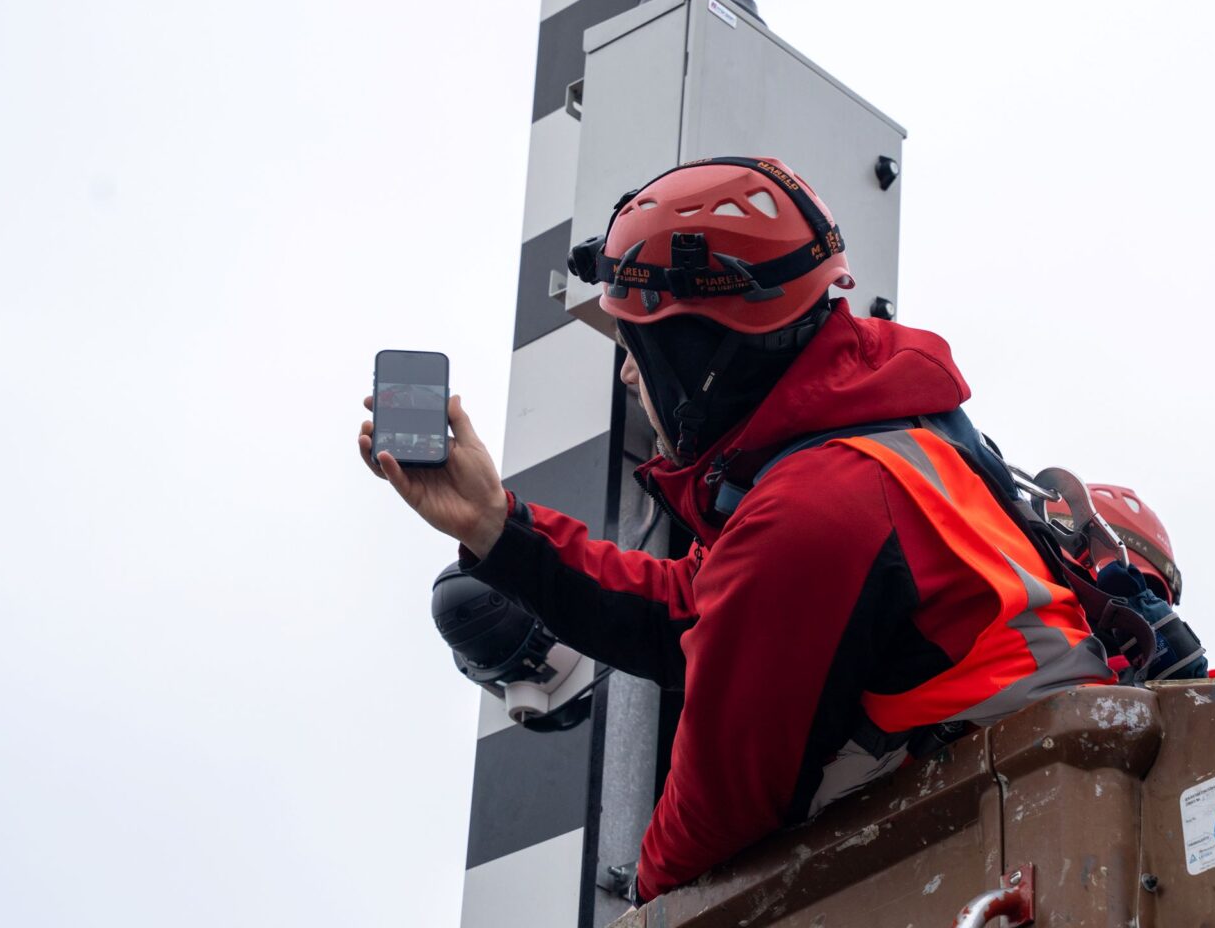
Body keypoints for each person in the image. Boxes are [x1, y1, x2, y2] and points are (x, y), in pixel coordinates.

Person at [357, 156, 1115, 903]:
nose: (628, 374)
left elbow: (712, 816)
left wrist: (643, 912)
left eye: (636, 346)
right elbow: (693, 610)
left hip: (1012, 850)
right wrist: (496, 526)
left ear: (697, 357)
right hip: (1025, 822)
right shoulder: (877, 439)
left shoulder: (814, 509)